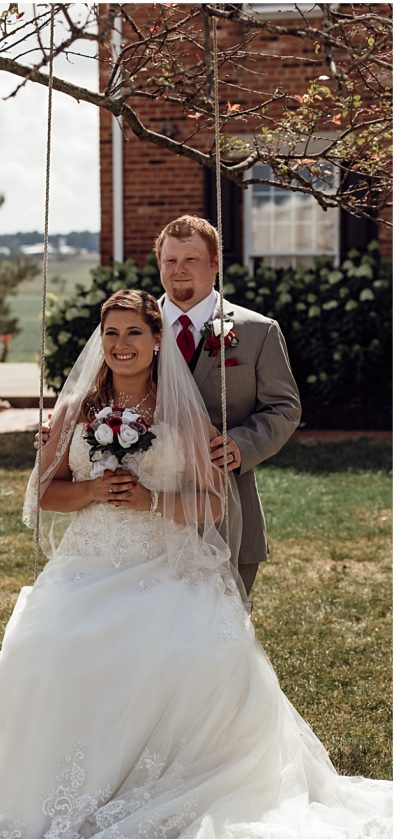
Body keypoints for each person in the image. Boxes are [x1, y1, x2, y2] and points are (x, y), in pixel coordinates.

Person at [0, 289, 390, 839]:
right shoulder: (75, 409)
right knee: (43, 651)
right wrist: (92, 492)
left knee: (176, 653)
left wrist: (152, 500)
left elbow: (213, 499)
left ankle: (165, 789)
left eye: (134, 334)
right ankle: (51, 800)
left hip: (165, 563)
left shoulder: (182, 411)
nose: (121, 345)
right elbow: (45, 492)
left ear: (156, 341)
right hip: (88, 565)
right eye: (111, 333)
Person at [154, 214, 301, 595]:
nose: (179, 271)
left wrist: (241, 445)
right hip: (148, 509)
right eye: (170, 261)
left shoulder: (258, 331)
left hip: (229, 508)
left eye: (191, 260)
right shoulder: (134, 329)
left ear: (215, 264)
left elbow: (284, 408)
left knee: (224, 631)